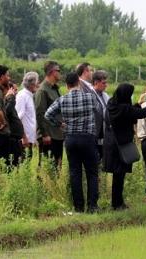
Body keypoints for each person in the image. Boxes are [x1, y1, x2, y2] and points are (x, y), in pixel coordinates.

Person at [45, 73, 99, 213]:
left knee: (75, 173)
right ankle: (92, 206)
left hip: (70, 139)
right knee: (92, 173)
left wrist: (60, 124)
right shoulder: (90, 97)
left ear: (67, 85)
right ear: (78, 83)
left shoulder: (62, 99)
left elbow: (47, 114)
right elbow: (98, 110)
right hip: (87, 137)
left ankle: (79, 207)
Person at [103, 83, 146, 210]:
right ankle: (117, 204)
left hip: (112, 144)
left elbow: (129, 113)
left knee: (118, 176)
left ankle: (117, 202)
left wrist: (138, 103)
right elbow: (142, 113)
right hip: (121, 145)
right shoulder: (124, 108)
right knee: (119, 176)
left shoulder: (112, 104)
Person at [35, 61, 63, 168]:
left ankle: (53, 185)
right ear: (52, 72)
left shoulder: (55, 88)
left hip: (57, 134)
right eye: (58, 70)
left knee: (56, 167)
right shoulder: (42, 90)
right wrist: (45, 134)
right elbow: (40, 113)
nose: (60, 73)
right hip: (49, 136)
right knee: (47, 168)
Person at [16, 71, 39, 160]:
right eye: (37, 82)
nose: (38, 85)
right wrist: (24, 137)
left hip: (29, 139)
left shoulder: (29, 96)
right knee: (23, 163)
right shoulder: (22, 96)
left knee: (27, 161)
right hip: (24, 140)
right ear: (32, 84)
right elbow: (19, 118)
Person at [4, 81, 25, 167]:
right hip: (11, 140)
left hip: (16, 140)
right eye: (14, 90)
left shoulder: (11, 102)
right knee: (12, 165)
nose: (16, 92)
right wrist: (11, 98)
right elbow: (7, 112)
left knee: (19, 163)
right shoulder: (7, 101)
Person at [91, 70, 109, 160]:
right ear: (96, 82)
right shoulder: (90, 95)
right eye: (103, 83)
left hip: (104, 133)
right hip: (94, 133)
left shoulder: (105, 95)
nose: (106, 85)